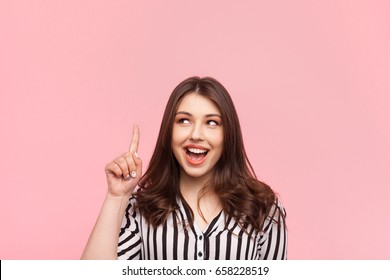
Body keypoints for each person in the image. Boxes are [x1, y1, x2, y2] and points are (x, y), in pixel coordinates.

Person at [81, 76, 287, 260]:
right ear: (169, 132)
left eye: (212, 123)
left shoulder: (263, 208)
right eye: (184, 120)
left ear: (228, 135)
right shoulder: (140, 209)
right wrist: (116, 197)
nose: (196, 134)